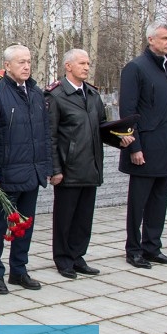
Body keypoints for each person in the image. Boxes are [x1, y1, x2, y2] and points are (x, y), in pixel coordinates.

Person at [47, 49, 133, 278]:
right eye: (82, 63)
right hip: (69, 168)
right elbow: (51, 136)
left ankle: (77, 256)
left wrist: (119, 139)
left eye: (88, 63)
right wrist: (55, 169)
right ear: (68, 66)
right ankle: (63, 259)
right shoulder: (56, 96)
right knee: (65, 218)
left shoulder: (93, 95)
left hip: (91, 165)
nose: (87, 67)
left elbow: (102, 129)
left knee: (84, 218)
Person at [0, 44, 52, 294]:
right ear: (7, 66)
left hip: (31, 173)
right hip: (6, 177)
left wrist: (47, 168)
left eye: (29, 61)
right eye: (20, 62)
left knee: (26, 225)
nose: (26, 66)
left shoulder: (36, 94)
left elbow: (45, 135)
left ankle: (19, 270)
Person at [118, 23, 167, 269]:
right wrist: (134, 147)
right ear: (151, 39)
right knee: (139, 203)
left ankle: (152, 247)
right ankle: (133, 249)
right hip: (145, 147)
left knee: (159, 201)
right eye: (164, 38)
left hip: (166, 147)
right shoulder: (136, 68)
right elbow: (128, 111)